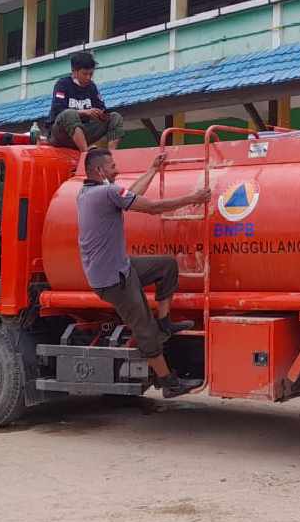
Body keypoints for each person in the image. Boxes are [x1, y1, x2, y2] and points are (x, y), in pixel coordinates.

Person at [77, 147, 210, 398]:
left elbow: (131, 194)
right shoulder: (106, 192)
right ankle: (168, 383)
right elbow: (152, 207)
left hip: (119, 267)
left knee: (167, 266)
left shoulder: (88, 193)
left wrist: (152, 170)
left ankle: (165, 322)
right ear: (99, 170)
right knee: (145, 328)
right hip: (114, 279)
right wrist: (193, 198)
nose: (117, 170)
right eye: (112, 166)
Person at [48, 51, 125, 153]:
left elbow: (101, 108)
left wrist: (100, 114)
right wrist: (85, 112)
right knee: (69, 113)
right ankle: (85, 153)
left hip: (83, 132)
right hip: (61, 134)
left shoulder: (92, 87)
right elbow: (58, 110)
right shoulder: (62, 84)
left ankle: (112, 154)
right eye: (85, 74)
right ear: (74, 72)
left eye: (91, 74)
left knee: (115, 117)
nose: (88, 77)